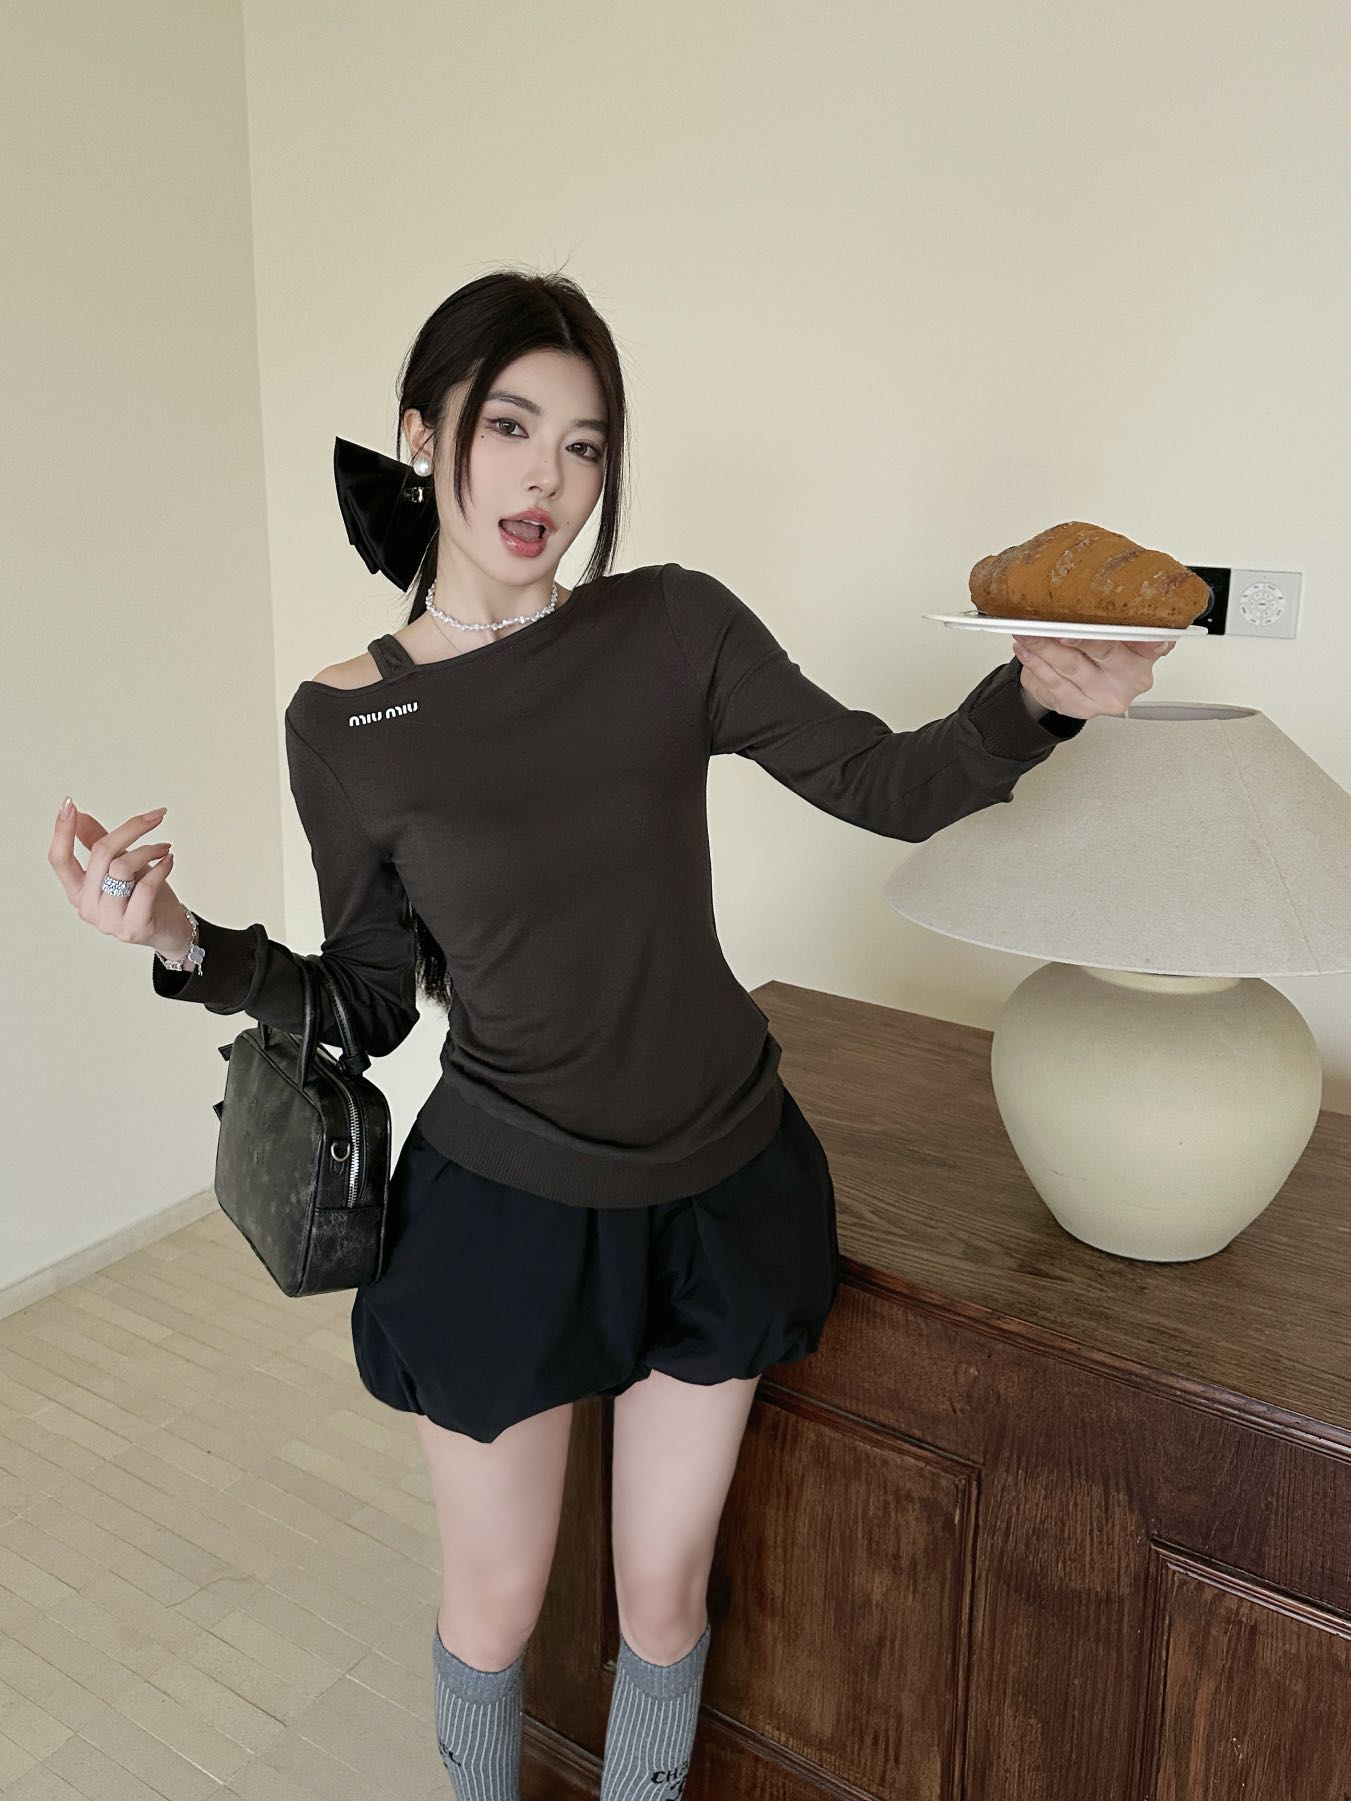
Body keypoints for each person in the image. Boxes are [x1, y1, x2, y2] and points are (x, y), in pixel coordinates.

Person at [48, 268, 1171, 1801]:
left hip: (721, 1184)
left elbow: (885, 780)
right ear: (423, 431)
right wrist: (184, 941)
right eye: (509, 426)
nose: (547, 478)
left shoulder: (671, 625)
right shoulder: (345, 720)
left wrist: (1035, 701)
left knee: (661, 1598)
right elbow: (371, 996)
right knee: (498, 1605)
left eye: (583, 445)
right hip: (509, 1207)